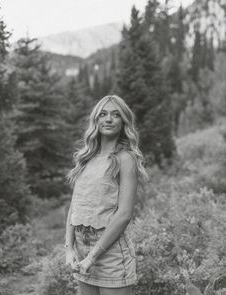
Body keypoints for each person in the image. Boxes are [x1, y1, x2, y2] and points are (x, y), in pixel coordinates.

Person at [65, 95, 148, 295]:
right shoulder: (86, 158)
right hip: (82, 248)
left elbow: (124, 214)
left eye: (115, 115)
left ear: (123, 122)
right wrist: (69, 248)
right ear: (96, 120)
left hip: (109, 251)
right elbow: (74, 207)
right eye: (103, 114)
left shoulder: (125, 159)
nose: (108, 119)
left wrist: (93, 256)